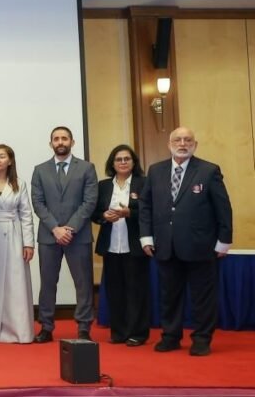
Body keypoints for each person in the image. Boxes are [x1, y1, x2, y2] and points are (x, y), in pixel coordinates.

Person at [140, 127, 232, 356]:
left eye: (187, 140)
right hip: (165, 246)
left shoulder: (209, 170)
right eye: (178, 140)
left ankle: (201, 339)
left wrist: (224, 241)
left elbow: (223, 208)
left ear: (195, 145)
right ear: (169, 144)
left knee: (203, 298)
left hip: (201, 247)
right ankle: (171, 336)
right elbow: (146, 206)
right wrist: (146, 237)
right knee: (169, 296)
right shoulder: (155, 170)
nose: (182, 144)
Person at [30, 126, 98, 343]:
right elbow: (38, 203)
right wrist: (55, 228)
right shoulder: (40, 170)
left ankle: (84, 327)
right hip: (49, 236)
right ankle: (46, 327)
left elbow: (90, 202)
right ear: (51, 143)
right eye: (56, 139)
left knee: (83, 283)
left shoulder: (87, 168)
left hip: (78, 236)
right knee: (48, 283)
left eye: (64, 138)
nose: (60, 142)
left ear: (72, 142)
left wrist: (69, 228)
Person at [91, 144, 149, 347]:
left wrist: (129, 213)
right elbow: (94, 213)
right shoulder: (104, 185)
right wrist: (103, 216)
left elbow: (150, 210)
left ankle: (138, 333)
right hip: (111, 246)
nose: (123, 162)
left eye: (127, 159)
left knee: (136, 291)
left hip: (135, 245)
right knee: (115, 291)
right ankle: (119, 332)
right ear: (112, 163)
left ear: (134, 162)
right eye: (118, 159)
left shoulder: (143, 183)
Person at [0, 144, 35, 344]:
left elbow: (26, 215)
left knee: (15, 282)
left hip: (14, 235)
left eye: (2, 156)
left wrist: (28, 243)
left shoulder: (20, 184)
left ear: (10, 160)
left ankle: (19, 331)